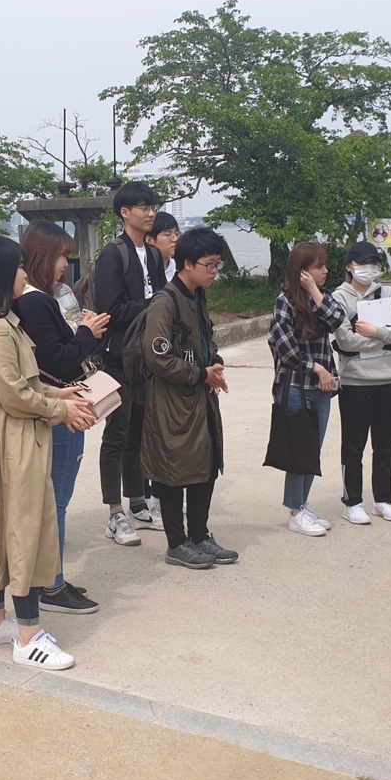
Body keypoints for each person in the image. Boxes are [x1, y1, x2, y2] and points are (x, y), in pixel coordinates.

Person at [0, 234, 95, 670]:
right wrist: (60, 409)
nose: (24, 275)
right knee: (25, 530)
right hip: (11, 443)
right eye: (18, 267)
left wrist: (56, 392)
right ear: (0, 274)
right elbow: (14, 395)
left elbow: (17, 383)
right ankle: (29, 636)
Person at [15, 221, 111, 615]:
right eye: (61, 257)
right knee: (55, 501)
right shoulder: (37, 302)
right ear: (41, 256)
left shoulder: (34, 300)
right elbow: (58, 359)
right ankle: (51, 585)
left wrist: (83, 332)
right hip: (59, 409)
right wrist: (87, 333)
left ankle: (49, 578)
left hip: (52, 406)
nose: (65, 266)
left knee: (52, 500)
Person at [141, 227, 235, 568]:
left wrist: (215, 364)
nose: (214, 272)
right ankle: (176, 543)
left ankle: (199, 535)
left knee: (205, 464)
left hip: (200, 397)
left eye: (217, 265)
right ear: (188, 264)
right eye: (209, 265)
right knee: (173, 471)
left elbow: (206, 340)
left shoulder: (198, 296)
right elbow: (157, 358)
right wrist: (200, 374)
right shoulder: (165, 302)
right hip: (172, 402)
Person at [91, 181, 167, 544]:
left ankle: (138, 503)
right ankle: (114, 513)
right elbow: (110, 310)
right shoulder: (113, 255)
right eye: (143, 207)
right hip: (119, 358)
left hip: (146, 359)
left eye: (152, 207)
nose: (150, 213)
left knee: (139, 432)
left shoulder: (153, 254)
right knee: (117, 435)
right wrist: (152, 305)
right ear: (125, 213)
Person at [331, 240, 391, 525]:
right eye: (363, 264)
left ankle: (383, 500)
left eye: (374, 264)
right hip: (356, 382)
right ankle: (352, 502)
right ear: (349, 266)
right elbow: (345, 340)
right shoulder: (339, 298)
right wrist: (386, 338)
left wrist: (376, 331)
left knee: (386, 444)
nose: (369, 269)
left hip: (390, 379)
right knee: (353, 445)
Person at [267, 242, 346, 536]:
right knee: (299, 450)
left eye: (325, 266)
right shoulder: (285, 302)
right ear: (302, 271)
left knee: (312, 450)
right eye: (318, 267)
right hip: (297, 386)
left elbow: (339, 321)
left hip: (322, 389)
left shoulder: (323, 298)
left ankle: (302, 504)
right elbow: (285, 348)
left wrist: (314, 291)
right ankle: (295, 511)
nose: (325, 271)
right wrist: (317, 367)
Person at [146, 211, 181, 283]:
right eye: (168, 234)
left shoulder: (180, 269)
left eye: (177, 234)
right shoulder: (142, 269)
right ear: (149, 240)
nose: (175, 239)